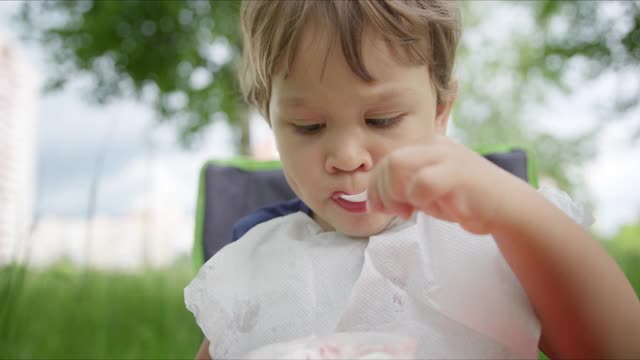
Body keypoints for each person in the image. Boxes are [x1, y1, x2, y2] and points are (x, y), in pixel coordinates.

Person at [185, 1, 640, 359]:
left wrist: (514, 211)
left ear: (441, 110)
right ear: (270, 118)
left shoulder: (494, 243)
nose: (347, 157)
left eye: (382, 120)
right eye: (307, 126)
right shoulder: (252, 264)